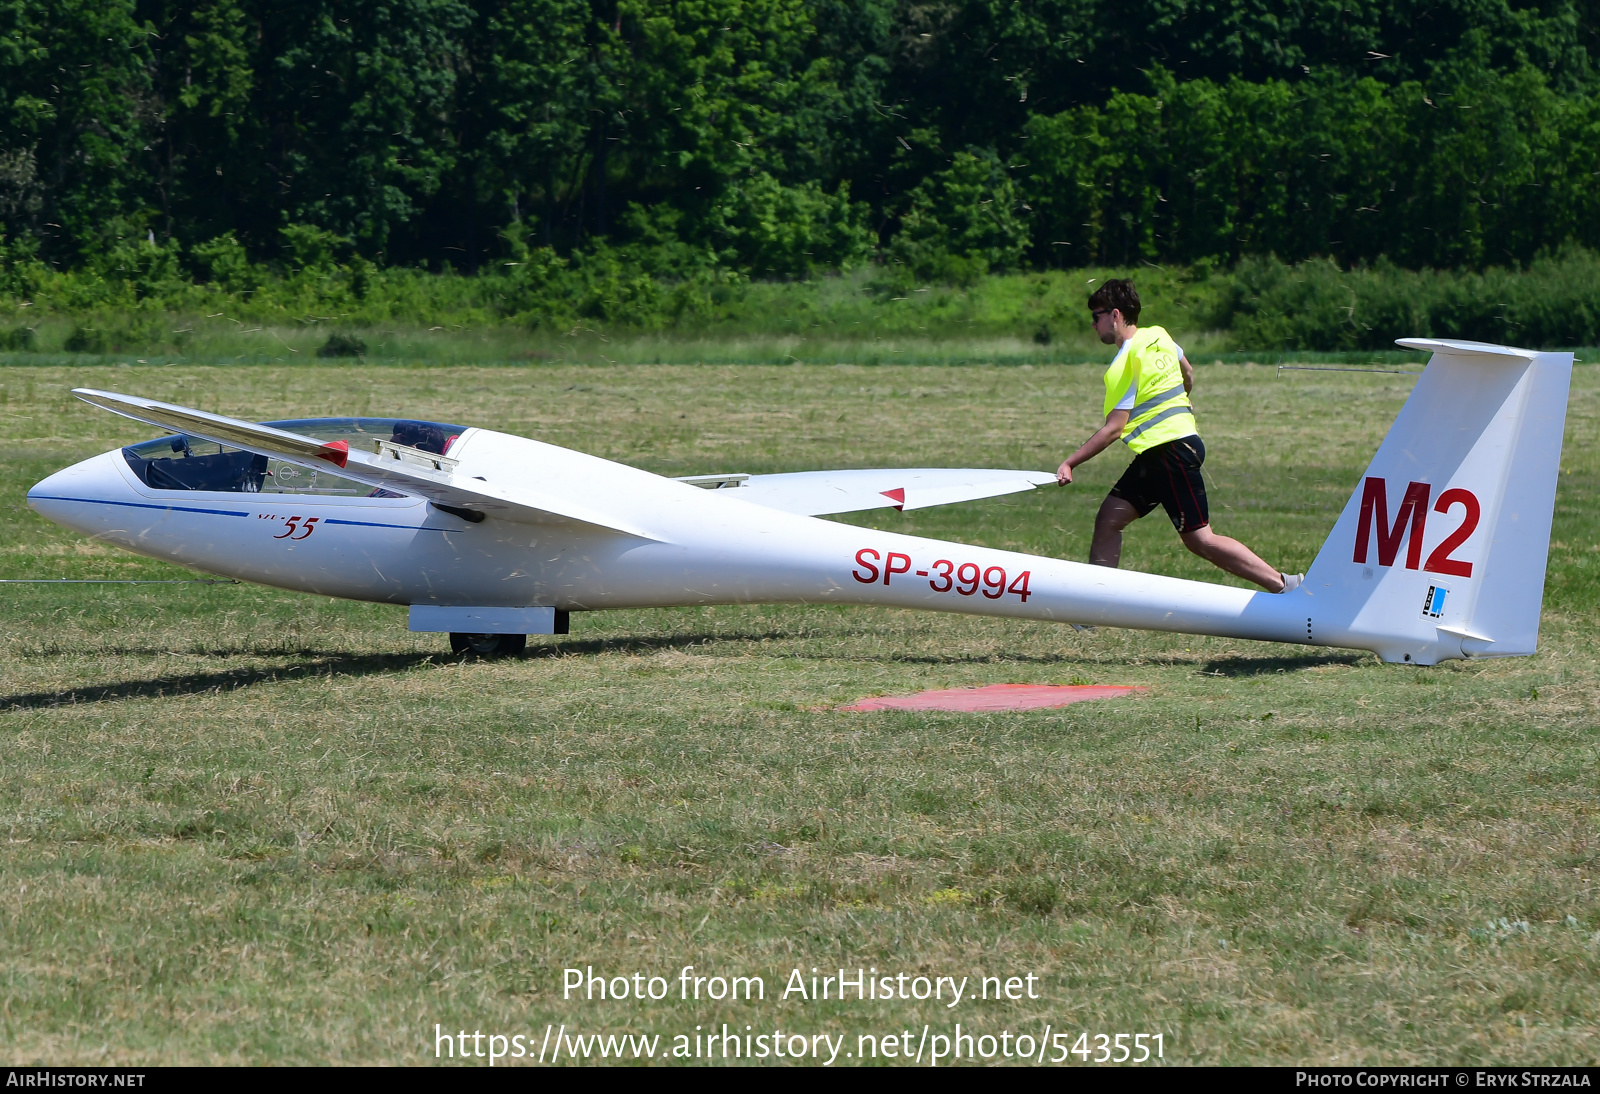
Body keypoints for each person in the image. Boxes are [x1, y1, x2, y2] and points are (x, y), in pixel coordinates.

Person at [1055, 278, 1301, 593]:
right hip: (1168, 450)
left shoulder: (1123, 364)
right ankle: (1093, 604)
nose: (1093, 325)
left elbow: (1114, 428)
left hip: (1168, 453)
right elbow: (1188, 371)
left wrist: (1070, 462)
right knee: (1109, 519)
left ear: (1115, 315)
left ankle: (1283, 584)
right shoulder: (1159, 335)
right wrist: (1181, 400)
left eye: (1096, 317)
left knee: (1201, 539)